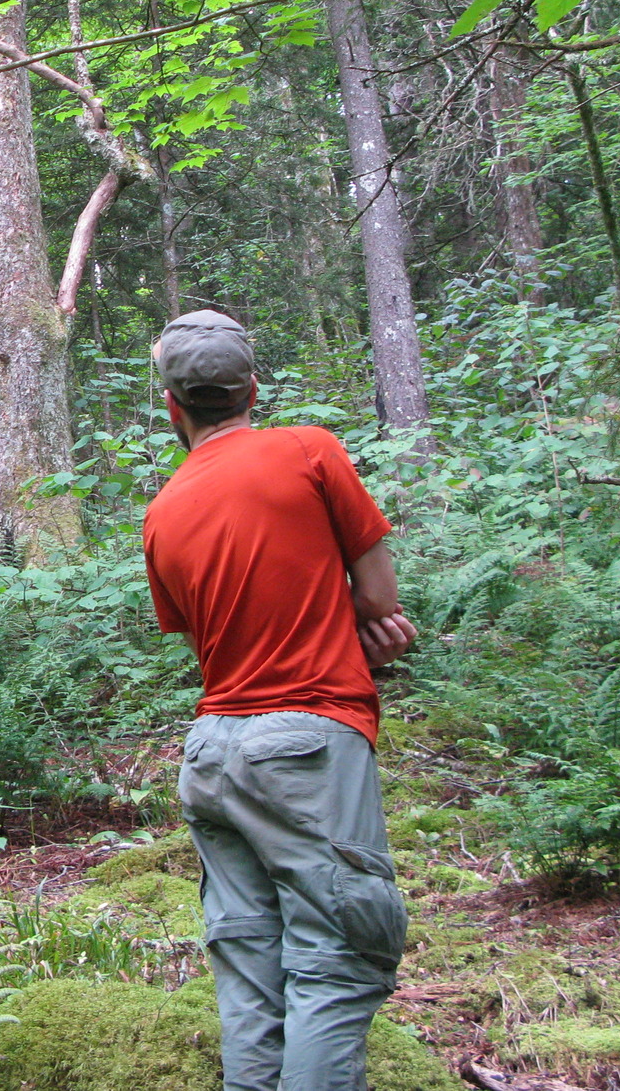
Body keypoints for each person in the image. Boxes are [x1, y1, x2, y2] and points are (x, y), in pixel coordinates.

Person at [143, 309, 418, 1091]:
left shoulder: (161, 513)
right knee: (336, 963)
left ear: (172, 407)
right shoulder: (307, 450)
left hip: (212, 755)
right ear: (253, 391)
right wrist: (348, 632)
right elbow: (380, 603)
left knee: (249, 978)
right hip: (308, 742)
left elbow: (217, 647)